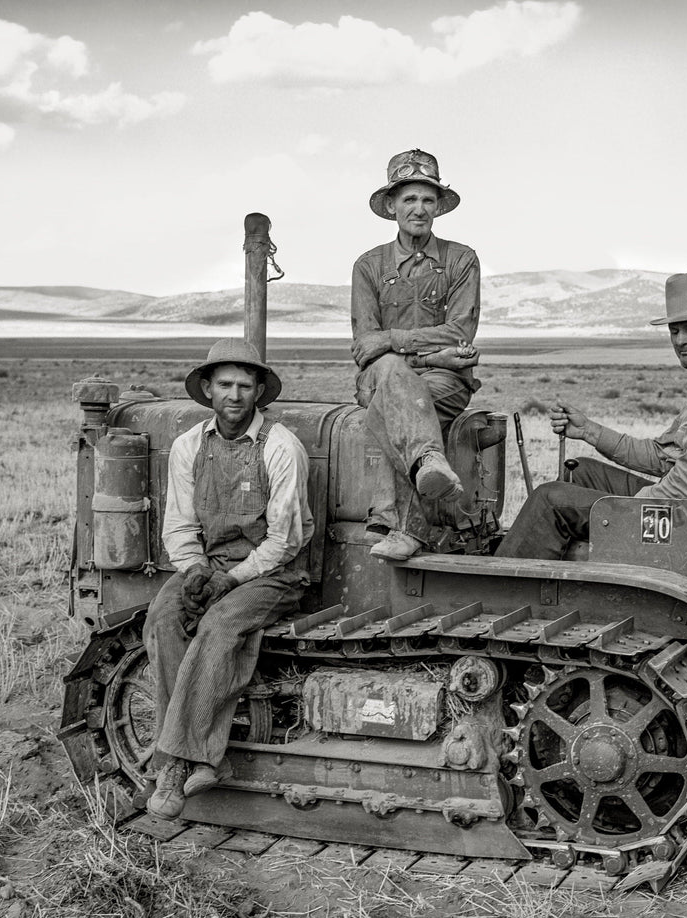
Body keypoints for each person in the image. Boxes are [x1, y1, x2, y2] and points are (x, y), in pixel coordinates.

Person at [143, 338, 313, 819]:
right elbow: (178, 522)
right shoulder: (189, 446)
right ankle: (199, 755)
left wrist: (228, 581)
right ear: (207, 389)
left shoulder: (281, 447)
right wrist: (195, 569)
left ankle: (175, 762)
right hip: (210, 563)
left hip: (274, 573)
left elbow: (284, 540)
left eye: (244, 385)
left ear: (259, 390)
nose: (234, 395)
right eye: (224, 385)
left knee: (219, 627)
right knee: (163, 619)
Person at [496, 270, 687, 560]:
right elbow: (662, 456)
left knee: (549, 499)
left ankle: (498, 587)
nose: (680, 341)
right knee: (578, 471)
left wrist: (625, 508)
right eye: (675, 331)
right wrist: (589, 431)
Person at [351, 148, 482, 562]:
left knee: (392, 400)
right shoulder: (368, 266)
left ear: (439, 207)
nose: (419, 209)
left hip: (445, 381)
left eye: (428, 199)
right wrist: (431, 356)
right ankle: (428, 464)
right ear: (392, 206)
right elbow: (364, 348)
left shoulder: (462, 260)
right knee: (390, 374)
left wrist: (392, 341)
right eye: (409, 199)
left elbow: (459, 332)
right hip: (391, 375)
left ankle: (390, 517)